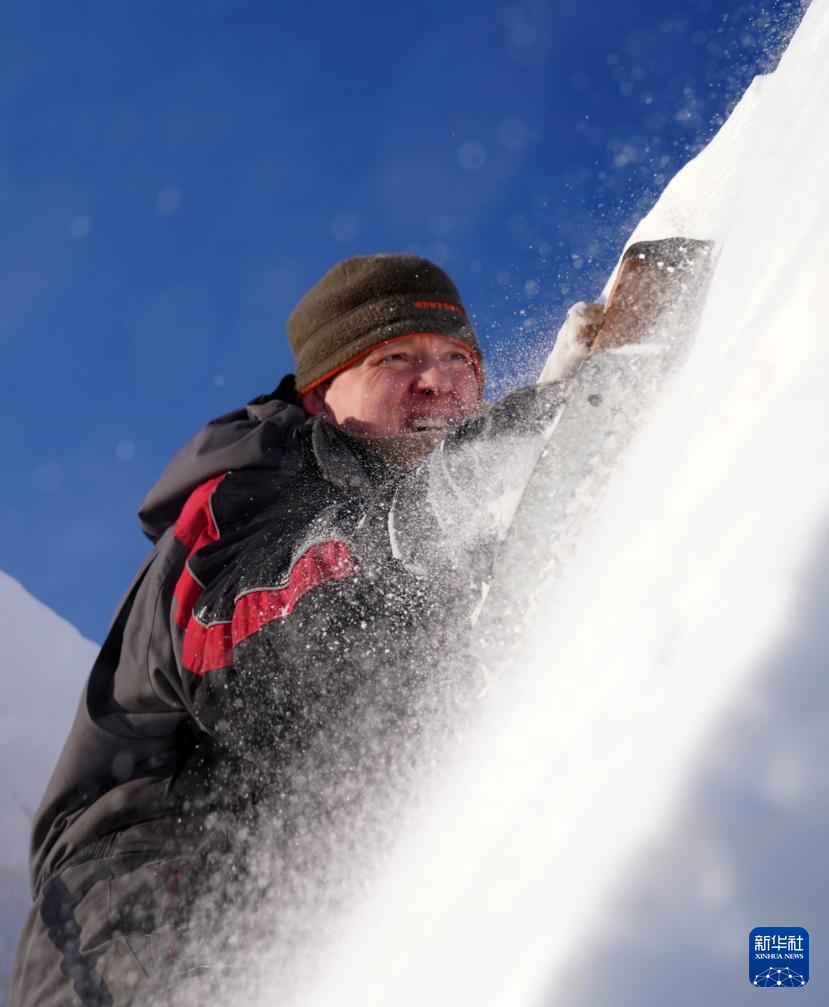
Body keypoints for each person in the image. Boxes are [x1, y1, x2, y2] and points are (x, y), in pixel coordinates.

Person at [10, 254, 599, 1007]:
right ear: (320, 394)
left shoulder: (410, 509)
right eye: (395, 358)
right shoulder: (248, 488)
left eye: (459, 359)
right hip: (133, 907)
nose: (436, 380)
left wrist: (548, 448)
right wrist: (428, 517)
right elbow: (234, 646)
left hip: (300, 873)